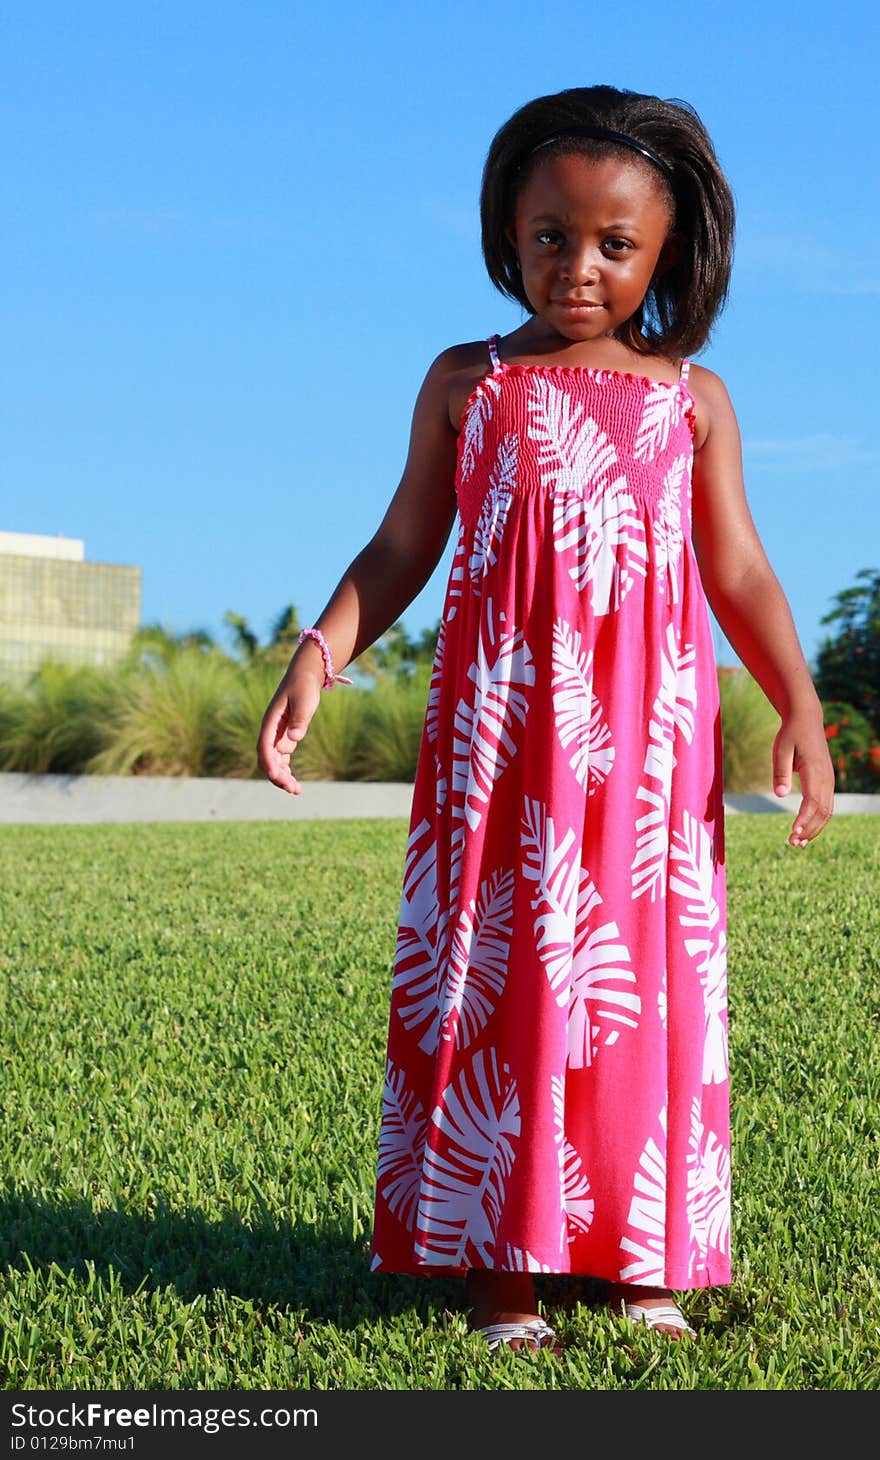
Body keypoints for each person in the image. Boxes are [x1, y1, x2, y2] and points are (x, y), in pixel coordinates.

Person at [257, 84, 835, 1356]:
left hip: (644, 759)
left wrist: (797, 700)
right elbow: (406, 541)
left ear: (666, 254)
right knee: (499, 975)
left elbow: (736, 567)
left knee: (644, 990)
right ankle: (499, 1273)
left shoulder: (692, 398)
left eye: (613, 244)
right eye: (548, 235)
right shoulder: (469, 383)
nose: (578, 266)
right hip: (501, 745)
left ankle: (642, 1259)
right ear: (505, 234)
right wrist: (318, 652)